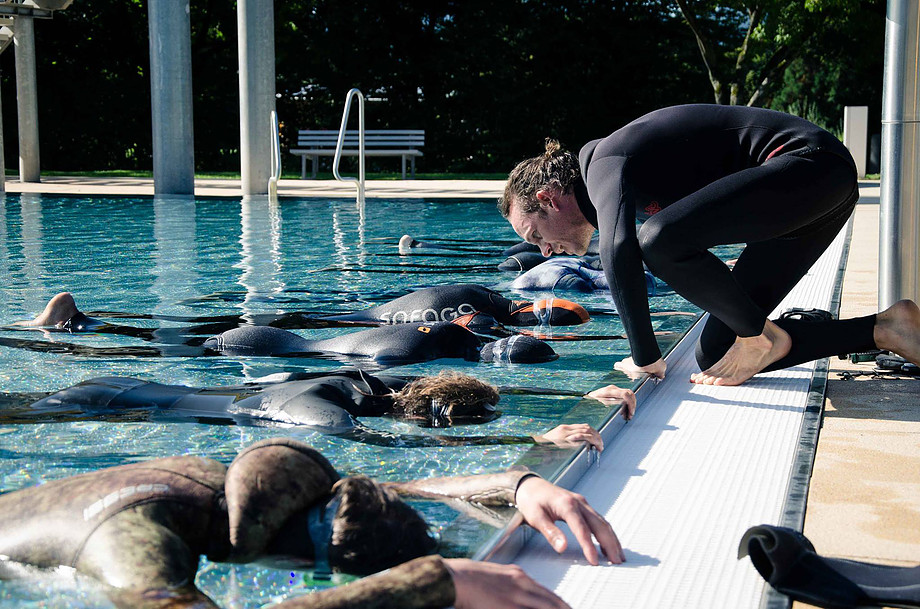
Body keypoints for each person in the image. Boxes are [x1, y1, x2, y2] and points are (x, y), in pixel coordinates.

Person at [499, 104, 920, 386]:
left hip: (812, 165)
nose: (545, 252)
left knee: (658, 239)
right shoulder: (618, 183)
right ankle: (885, 329)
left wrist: (645, 357)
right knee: (716, 353)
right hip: (809, 202)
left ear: (548, 199)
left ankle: (759, 335)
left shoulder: (602, 159)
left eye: (536, 235)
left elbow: (620, 247)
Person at [0, 437, 625, 609]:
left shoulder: (241, 492)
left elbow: (395, 489)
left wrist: (520, 481)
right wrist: (434, 582)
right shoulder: (136, 539)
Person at [4, 368, 633, 447]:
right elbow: (392, 444)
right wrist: (527, 443)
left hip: (125, 385)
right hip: (104, 404)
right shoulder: (332, 414)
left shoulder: (364, 381)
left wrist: (577, 395)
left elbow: (447, 390)